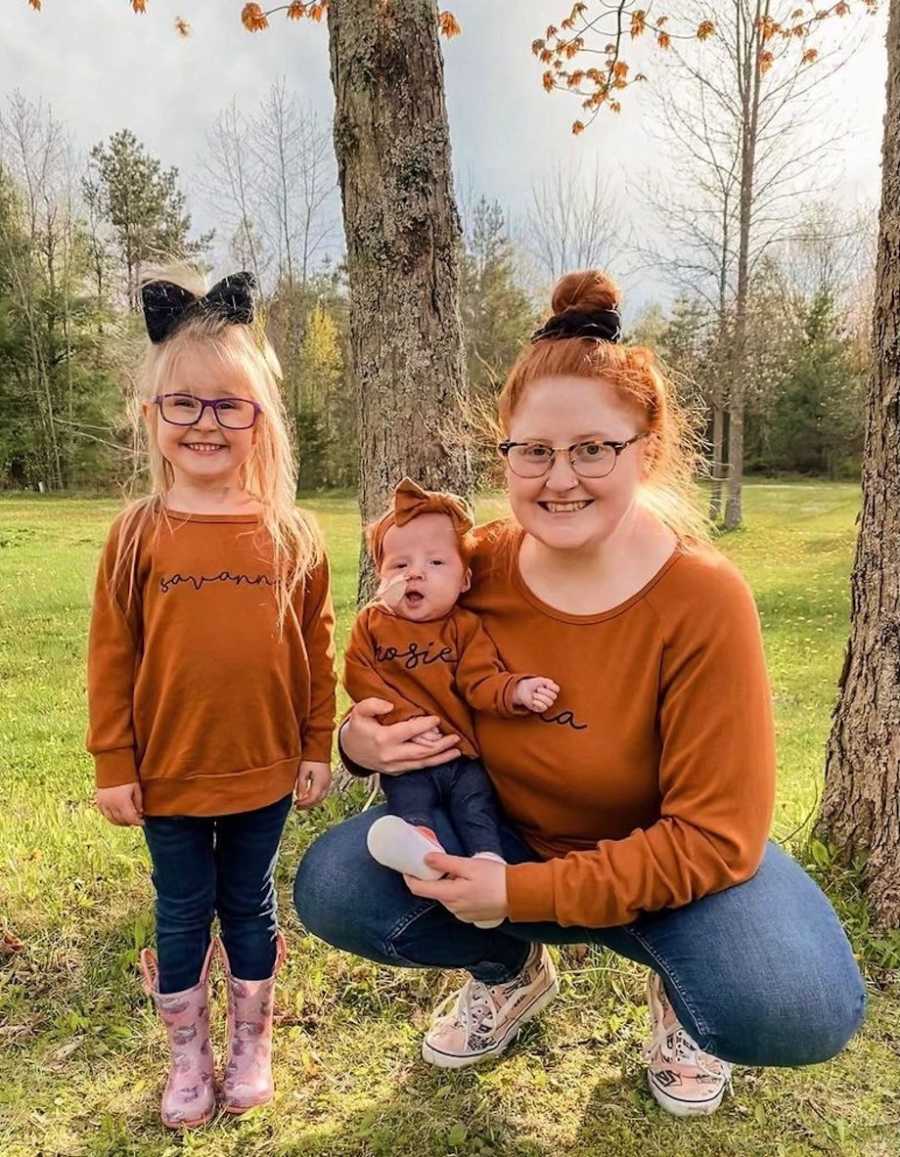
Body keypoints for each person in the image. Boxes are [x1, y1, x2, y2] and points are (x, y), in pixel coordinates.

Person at [294, 269, 865, 1118]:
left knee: (793, 1003)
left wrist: (516, 896)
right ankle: (509, 969)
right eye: (534, 451)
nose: (560, 479)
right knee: (337, 880)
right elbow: (391, 667)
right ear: (508, 454)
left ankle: (681, 988)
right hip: (506, 836)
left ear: (648, 446)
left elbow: (713, 837)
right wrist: (357, 741)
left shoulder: (703, 598)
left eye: (593, 448)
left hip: (674, 869)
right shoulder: (471, 567)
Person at [86, 268, 337, 1129]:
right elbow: (112, 657)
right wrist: (114, 761)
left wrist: (314, 746)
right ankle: (187, 1052)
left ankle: (250, 1040)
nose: (205, 423)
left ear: (259, 419)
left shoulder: (291, 533)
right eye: (183, 405)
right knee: (183, 904)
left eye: (228, 405)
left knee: (251, 900)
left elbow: (317, 653)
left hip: (264, 769)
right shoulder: (135, 535)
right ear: (151, 417)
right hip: (169, 773)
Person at [344, 476, 559, 927]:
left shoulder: (464, 628)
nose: (414, 573)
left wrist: (516, 691)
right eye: (398, 564)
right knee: (409, 802)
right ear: (380, 578)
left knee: (476, 806)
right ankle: (420, 847)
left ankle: (489, 862)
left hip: (462, 755)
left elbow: (481, 681)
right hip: (410, 759)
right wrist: (392, 722)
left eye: (435, 562)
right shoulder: (373, 625)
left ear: (464, 580)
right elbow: (360, 674)